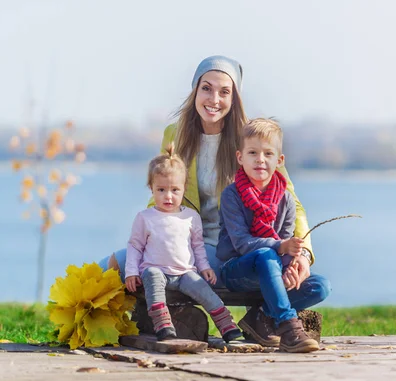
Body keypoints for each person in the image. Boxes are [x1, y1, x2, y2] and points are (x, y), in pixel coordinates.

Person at [98, 54, 330, 336]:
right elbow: (162, 191)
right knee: (114, 264)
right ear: (195, 90)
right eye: (206, 88)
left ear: (234, 99)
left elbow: (291, 201)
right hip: (183, 240)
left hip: (231, 247)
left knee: (314, 284)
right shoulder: (175, 134)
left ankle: (262, 317)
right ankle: (88, 320)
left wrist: (303, 254)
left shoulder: (250, 140)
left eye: (224, 91)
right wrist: (148, 234)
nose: (214, 99)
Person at [216, 118, 325, 353]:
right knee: (266, 254)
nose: (260, 160)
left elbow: (285, 238)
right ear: (240, 157)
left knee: (320, 286)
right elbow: (242, 243)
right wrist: (281, 248)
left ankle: (261, 316)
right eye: (253, 153)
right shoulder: (231, 195)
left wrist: (289, 268)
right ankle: (288, 328)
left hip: (272, 270)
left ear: (280, 160)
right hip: (237, 270)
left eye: (268, 153)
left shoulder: (285, 199)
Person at [124, 144, 242, 342]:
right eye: (161, 190)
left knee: (203, 289)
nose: (168, 196)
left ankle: (226, 324)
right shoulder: (145, 217)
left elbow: (197, 246)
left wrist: (204, 267)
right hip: (156, 269)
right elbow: (135, 246)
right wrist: (131, 272)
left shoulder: (190, 217)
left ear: (184, 189)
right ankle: (162, 323)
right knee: (152, 277)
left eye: (174, 190)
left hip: (185, 273)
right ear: (151, 188)